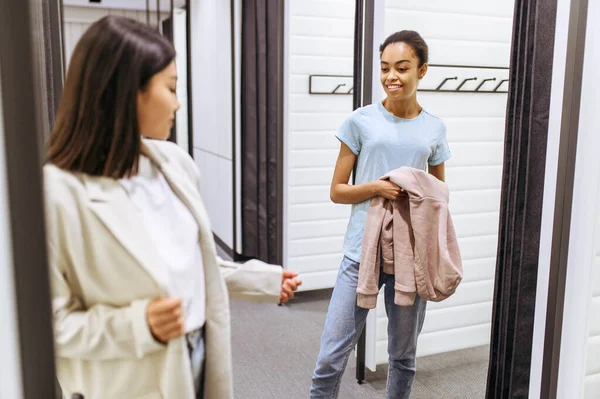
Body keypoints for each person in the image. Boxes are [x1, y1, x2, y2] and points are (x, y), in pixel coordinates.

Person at [44, 16, 301, 399]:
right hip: (129, 379)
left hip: (196, 352)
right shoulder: (58, 193)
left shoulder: (173, 164)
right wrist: (138, 326)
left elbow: (191, 262)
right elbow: (50, 325)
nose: (178, 103)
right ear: (128, 92)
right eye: (171, 87)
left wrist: (260, 280)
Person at [309, 30, 451, 398]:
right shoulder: (360, 121)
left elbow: (437, 197)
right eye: (385, 68)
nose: (392, 76)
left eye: (402, 68)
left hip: (411, 254)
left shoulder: (434, 128)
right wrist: (378, 187)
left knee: (403, 356)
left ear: (422, 71)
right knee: (330, 355)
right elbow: (337, 191)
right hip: (361, 252)